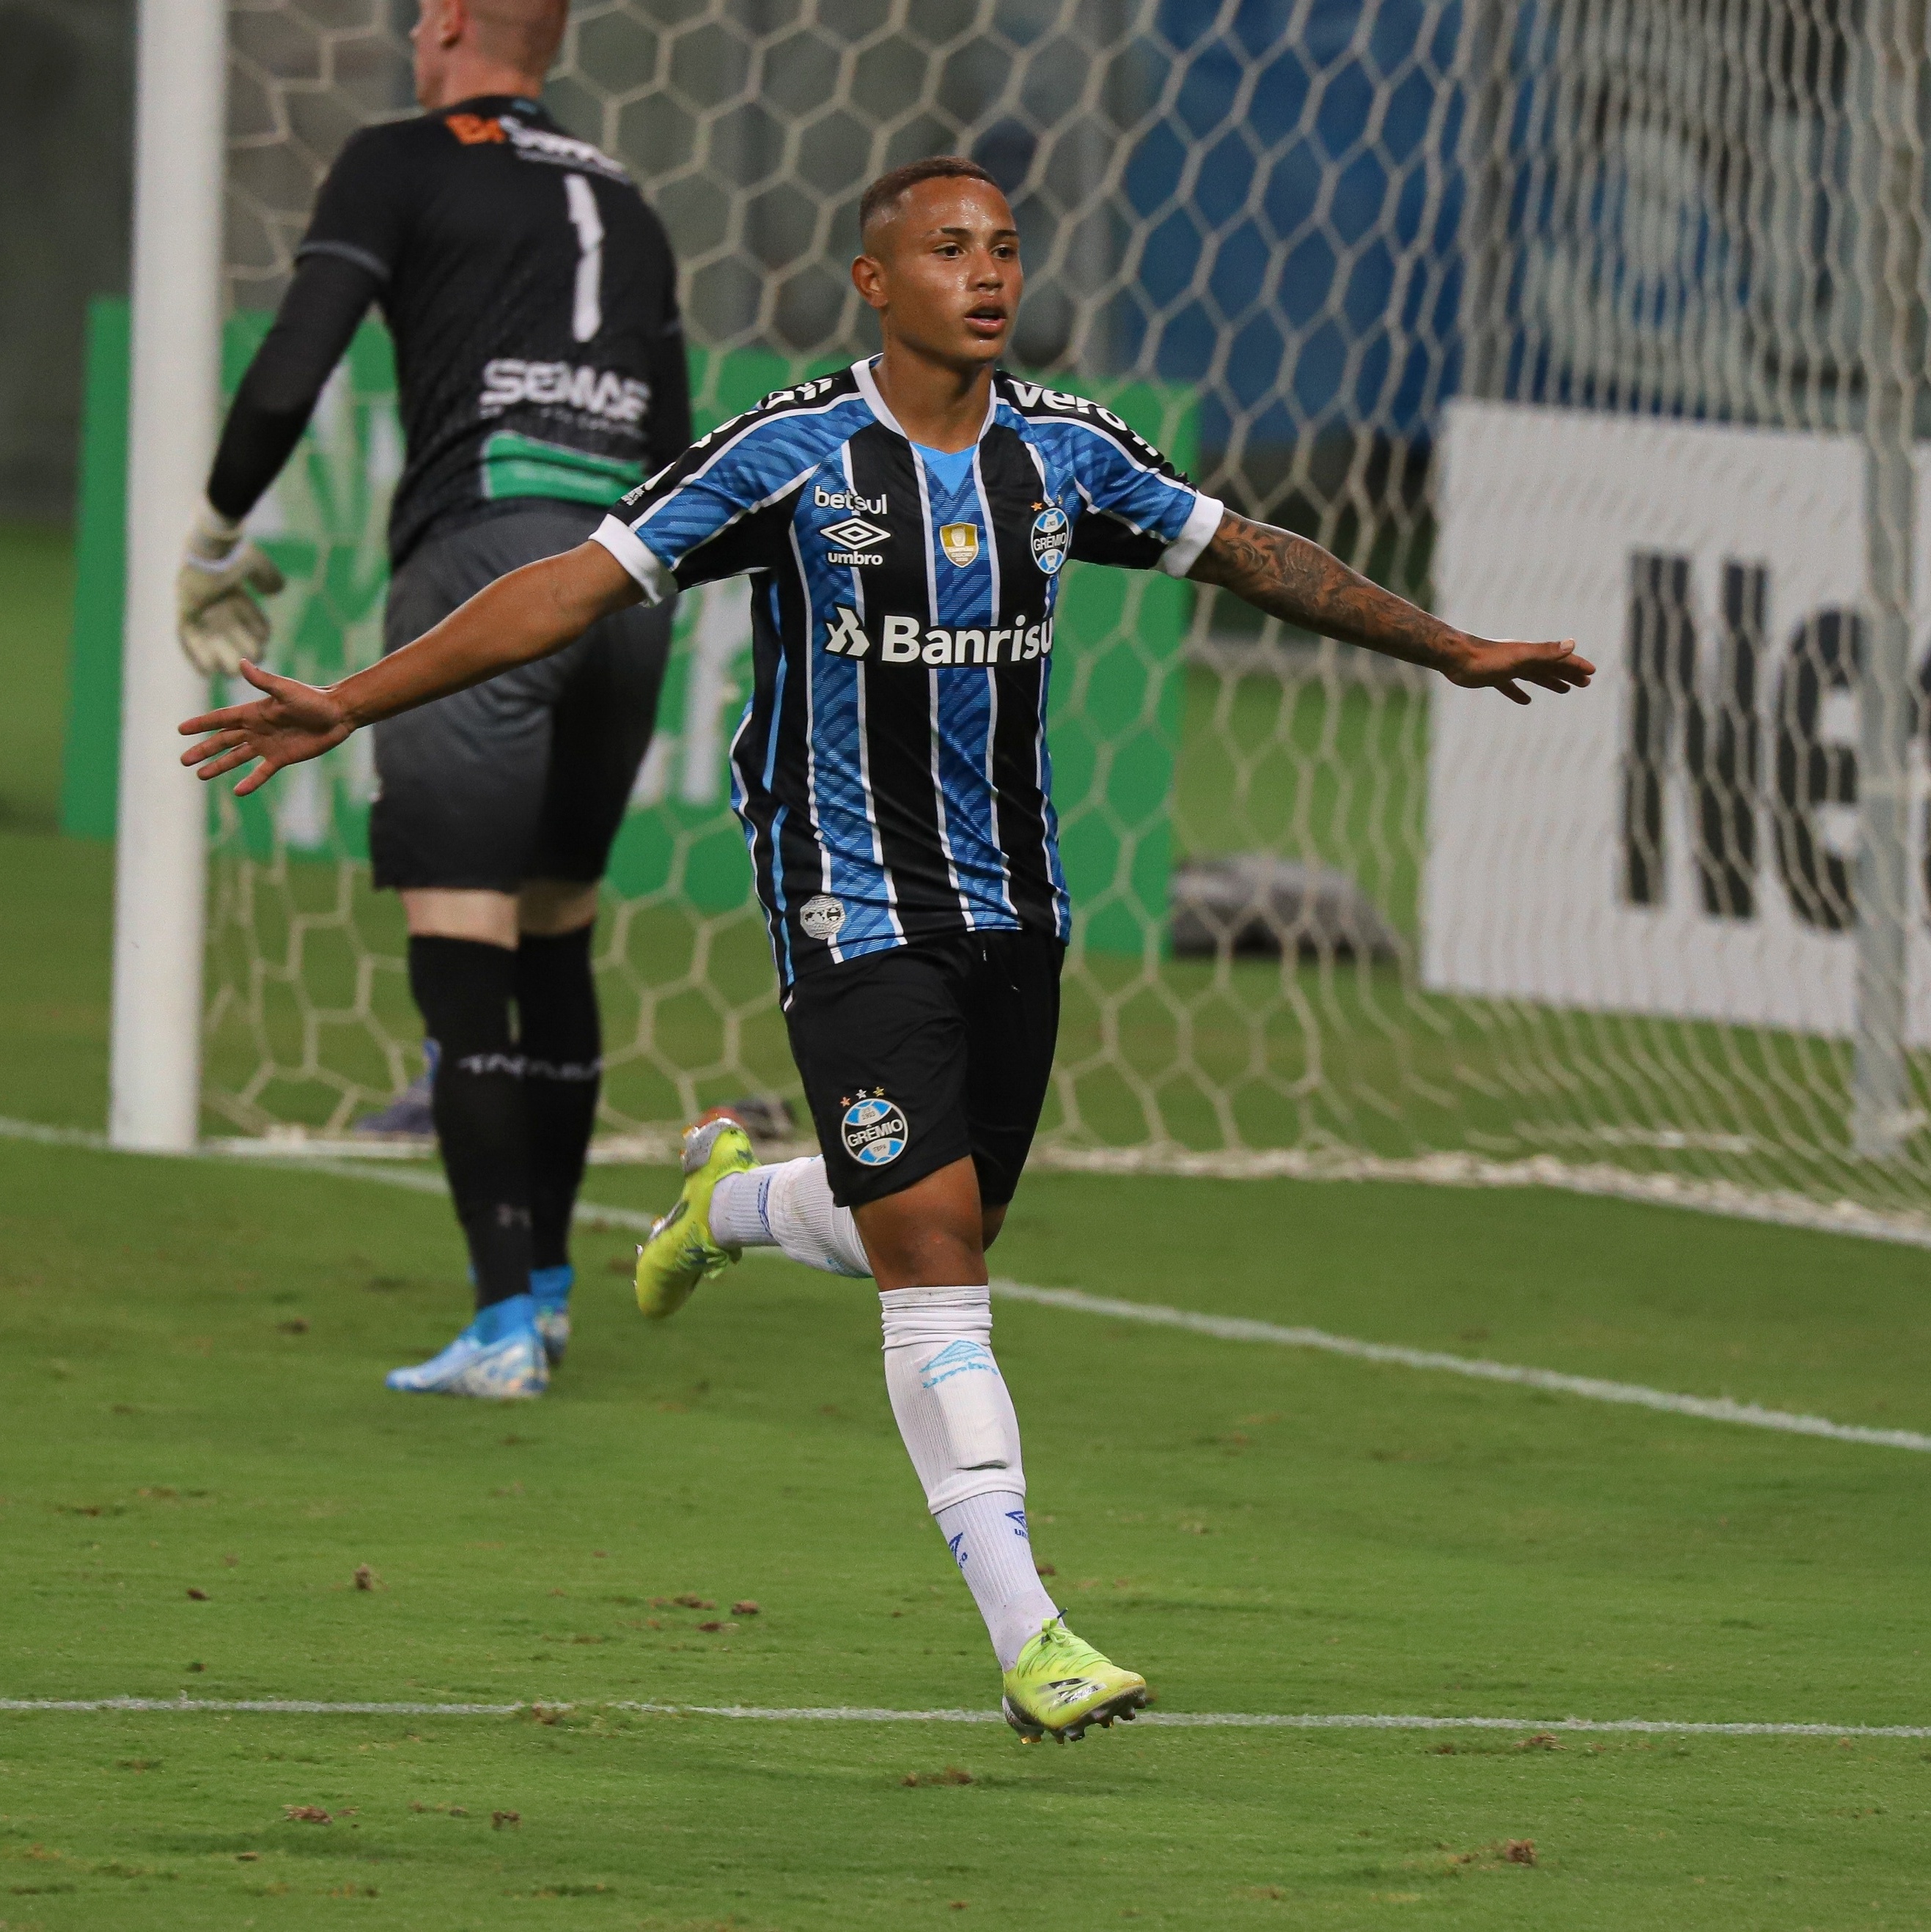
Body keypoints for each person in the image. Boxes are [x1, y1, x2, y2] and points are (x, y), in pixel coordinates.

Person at [177, 155, 1594, 1738]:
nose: (986, 274)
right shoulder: (791, 452)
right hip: (849, 905)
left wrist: (1451, 645)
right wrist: (353, 700)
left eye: (1002, 247)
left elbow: (1256, 552)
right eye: (948, 249)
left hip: (1017, 906)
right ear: (876, 281)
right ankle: (1033, 1632)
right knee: (938, 1257)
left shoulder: (1066, 453)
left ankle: (740, 1198)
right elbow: (570, 588)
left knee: (945, 1212)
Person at [174, 0, 691, 1399]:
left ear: (452, 22)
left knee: (462, 944)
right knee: (556, 934)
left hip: (483, 567)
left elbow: (296, 364)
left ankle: (502, 1326)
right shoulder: (630, 200)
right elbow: (683, 438)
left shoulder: (400, 157)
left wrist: (216, 536)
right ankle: (553, 1296)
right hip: (625, 585)